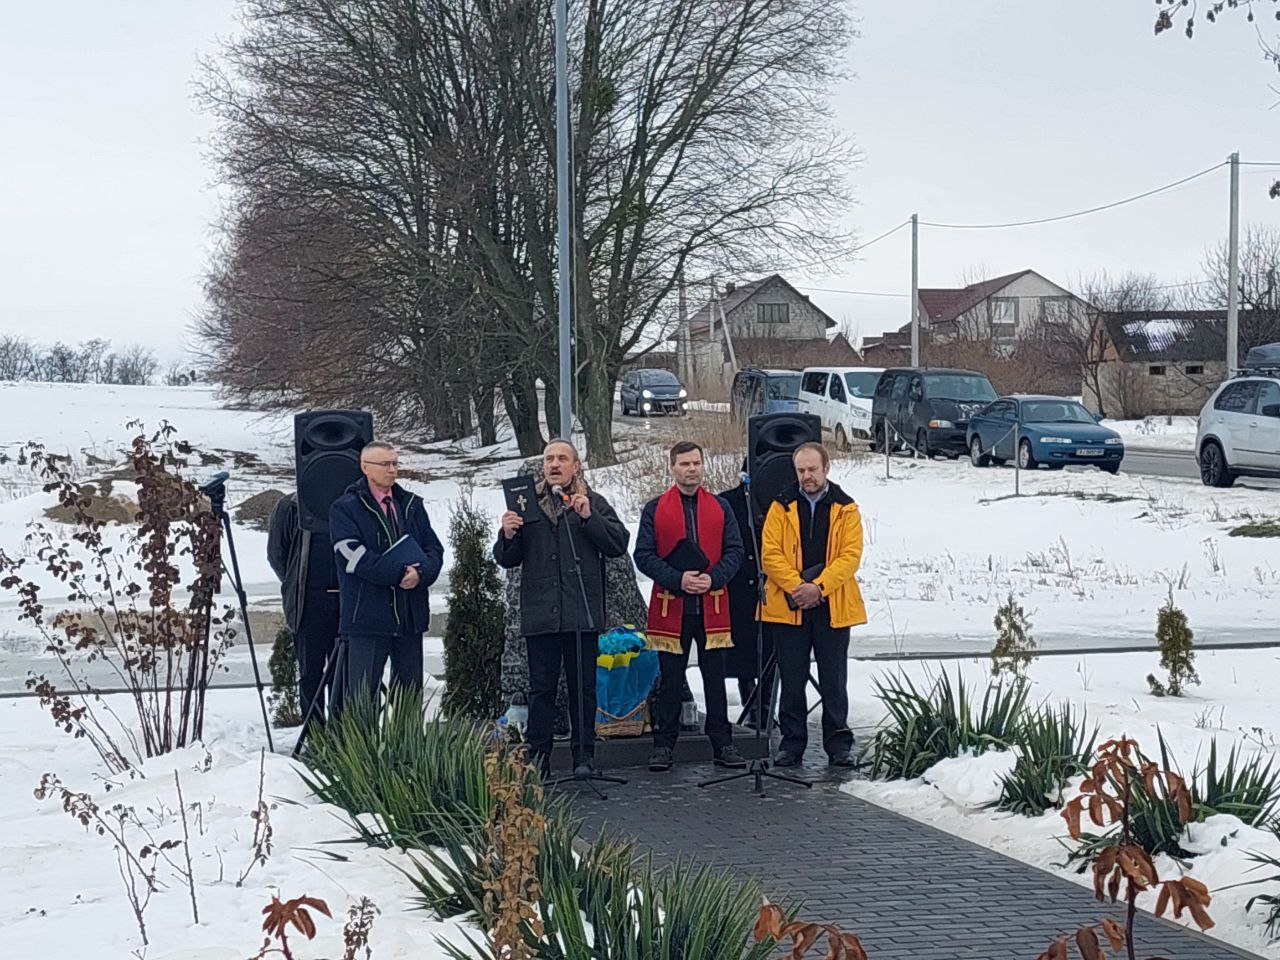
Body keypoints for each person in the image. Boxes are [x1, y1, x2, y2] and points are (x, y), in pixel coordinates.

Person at [494, 439, 630, 778]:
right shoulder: (525, 503)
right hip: (541, 612)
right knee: (541, 690)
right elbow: (508, 558)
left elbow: (617, 544)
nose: (554, 464)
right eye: (549, 459)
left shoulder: (592, 501)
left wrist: (589, 518)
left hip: (580, 611)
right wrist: (507, 535)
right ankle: (539, 760)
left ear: (576, 466)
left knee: (583, 689)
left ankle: (584, 757)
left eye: (562, 459)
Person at [634, 441, 745, 772]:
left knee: (715, 679)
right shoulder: (655, 508)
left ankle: (722, 743)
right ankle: (664, 746)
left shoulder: (721, 507)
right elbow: (643, 555)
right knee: (670, 681)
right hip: (673, 605)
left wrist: (713, 578)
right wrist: (678, 579)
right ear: (672, 468)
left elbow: (735, 551)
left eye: (696, 463)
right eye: (685, 464)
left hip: (712, 604)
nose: (692, 469)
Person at [759, 441, 865, 768]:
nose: (807, 476)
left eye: (812, 469)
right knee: (792, 679)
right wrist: (797, 588)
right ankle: (792, 744)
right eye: (801, 470)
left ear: (826, 468)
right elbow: (770, 555)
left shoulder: (846, 508)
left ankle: (838, 745)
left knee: (834, 679)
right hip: (789, 606)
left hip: (832, 606)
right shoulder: (781, 506)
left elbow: (850, 557)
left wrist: (817, 589)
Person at [329, 441, 444, 711]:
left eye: (395, 463)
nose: (392, 470)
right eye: (385, 464)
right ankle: (365, 741)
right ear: (365, 468)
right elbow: (353, 556)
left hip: (408, 616)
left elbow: (434, 549)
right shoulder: (345, 508)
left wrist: (420, 573)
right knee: (362, 702)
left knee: (408, 701)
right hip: (367, 618)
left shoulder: (411, 504)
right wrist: (398, 573)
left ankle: (405, 740)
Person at [266, 492, 340, 731]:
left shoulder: (351, 503)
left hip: (347, 603)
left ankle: (343, 736)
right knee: (310, 674)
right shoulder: (290, 507)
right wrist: (295, 584)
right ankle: (314, 735)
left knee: (343, 675)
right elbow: (277, 555)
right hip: (308, 604)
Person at [719, 464, 776, 730]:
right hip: (737, 586)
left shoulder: (783, 501)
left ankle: (766, 707)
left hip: (774, 586)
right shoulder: (727, 502)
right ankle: (751, 703)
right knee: (741, 648)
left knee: (772, 648)